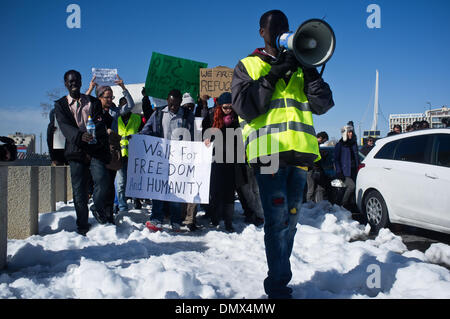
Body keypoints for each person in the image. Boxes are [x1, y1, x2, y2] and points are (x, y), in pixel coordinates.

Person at [231, 10, 334, 298]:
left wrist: (311, 69)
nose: (280, 32)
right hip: (269, 156)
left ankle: (279, 278)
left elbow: (324, 104)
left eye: (286, 28)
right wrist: (274, 73)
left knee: (291, 222)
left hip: (299, 157)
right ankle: (278, 286)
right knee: (277, 222)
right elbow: (247, 107)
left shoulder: (301, 67)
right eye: (273, 28)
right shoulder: (248, 66)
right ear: (261, 32)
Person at [54, 70, 112, 235]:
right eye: (70, 82)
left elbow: (100, 125)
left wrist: (99, 139)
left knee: (103, 180)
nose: (74, 84)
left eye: (76, 81)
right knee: (79, 191)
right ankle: (82, 225)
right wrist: (80, 136)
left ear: (81, 82)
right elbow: (65, 126)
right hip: (75, 150)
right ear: (66, 83)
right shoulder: (60, 105)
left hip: (94, 149)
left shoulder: (93, 102)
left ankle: (97, 206)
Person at [141, 89, 195, 232]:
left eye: (176, 105)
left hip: (178, 160)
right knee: (158, 188)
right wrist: (138, 138)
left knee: (175, 191)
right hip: (161, 157)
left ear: (180, 103)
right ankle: (156, 218)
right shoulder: (158, 114)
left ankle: (176, 221)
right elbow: (147, 130)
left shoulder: (187, 115)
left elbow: (194, 135)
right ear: (167, 101)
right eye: (171, 104)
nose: (173, 107)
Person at [202, 92, 248, 233]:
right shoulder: (211, 117)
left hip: (232, 161)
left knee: (229, 193)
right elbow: (205, 134)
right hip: (216, 160)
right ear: (219, 106)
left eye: (230, 107)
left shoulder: (237, 119)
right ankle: (215, 219)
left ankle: (228, 222)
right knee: (216, 192)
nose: (228, 110)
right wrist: (207, 139)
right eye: (225, 107)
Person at [334, 124, 359, 210]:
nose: (351, 134)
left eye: (351, 132)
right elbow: (336, 159)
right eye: (349, 132)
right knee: (352, 186)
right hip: (344, 172)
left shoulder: (354, 144)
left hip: (354, 170)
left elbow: (357, 157)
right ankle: (342, 204)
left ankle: (350, 206)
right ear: (345, 133)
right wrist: (339, 171)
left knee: (353, 189)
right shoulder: (340, 145)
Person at [306, 132, 329, 203]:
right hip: (311, 169)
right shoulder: (312, 144)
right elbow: (312, 158)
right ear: (321, 138)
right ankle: (309, 205)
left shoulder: (314, 144)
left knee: (317, 188)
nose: (324, 142)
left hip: (314, 169)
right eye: (324, 141)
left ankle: (315, 204)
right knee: (311, 189)